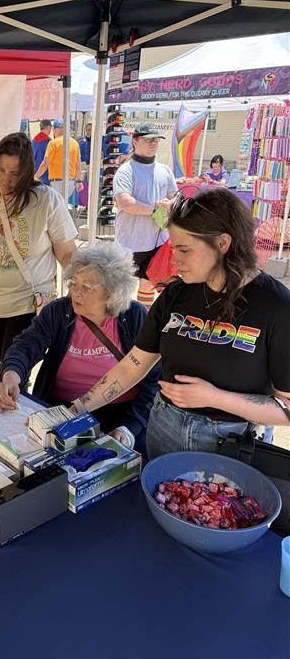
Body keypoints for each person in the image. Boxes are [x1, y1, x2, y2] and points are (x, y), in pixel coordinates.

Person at [71, 188, 290, 459]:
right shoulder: (176, 293)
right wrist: (77, 409)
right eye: (174, 248)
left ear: (223, 244)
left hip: (230, 443)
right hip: (163, 428)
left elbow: (286, 407)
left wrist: (214, 398)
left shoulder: (276, 307)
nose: (174, 260)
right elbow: (133, 365)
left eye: (184, 250)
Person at [0, 242, 160, 457]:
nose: (75, 292)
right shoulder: (58, 312)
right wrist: (11, 375)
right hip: (63, 409)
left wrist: (129, 428)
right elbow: (26, 345)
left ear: (112, 292)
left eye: (87, 287)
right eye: (73, 282)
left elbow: (154, 381)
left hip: (122, 413)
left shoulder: (135, 316)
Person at [0, 132, 77, 361]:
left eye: (14, 173)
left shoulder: (45, 200)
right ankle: (17, 393)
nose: (5, 179)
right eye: (0, 170)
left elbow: (67, 251)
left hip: (29, 301)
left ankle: (16, 393)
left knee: (13, 364)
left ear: (27, 173)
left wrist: (83, 284)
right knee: (7, 362)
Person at [113, 122, 177, 308]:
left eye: (156, 139)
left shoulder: (165, 170)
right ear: (135, 141)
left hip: (157, 242)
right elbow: (124, 202)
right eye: (148, 139)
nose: (153, 143)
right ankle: (121, 324)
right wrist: (156, 210)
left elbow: (175, 196)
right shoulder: (125, 171)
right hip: (129, 243)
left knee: (149, 284)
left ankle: (143, 320)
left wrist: (170, 205)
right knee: (121, 289)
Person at [34, 119, 84, 202]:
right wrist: (79, 181)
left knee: (56, 208)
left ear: (54, 129)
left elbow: (46, 163)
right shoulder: (75, 143)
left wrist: (36, 176)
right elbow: (78, 165)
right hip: (70, 182)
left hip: (57, 182)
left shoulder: (53, 143)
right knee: (63, 205)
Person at [32, 120, 52, 185]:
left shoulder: (33, 141)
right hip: (46, 175)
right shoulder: (49, 142)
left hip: (35, 175)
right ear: (49, 127)